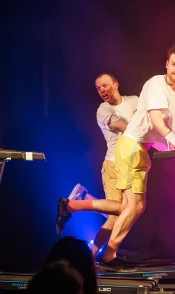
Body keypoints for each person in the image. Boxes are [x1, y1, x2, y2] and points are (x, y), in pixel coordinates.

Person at [56, 44, 175, 271]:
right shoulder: (154, 85)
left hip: (139, 150)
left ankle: (90, 240)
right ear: (166, 63)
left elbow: (171, 126)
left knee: (126, 208)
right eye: (174, 63)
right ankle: (105, 253)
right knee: (132, 207)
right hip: (127, 150)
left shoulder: (172, 93)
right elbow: (155, 123)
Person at [58, 73, 139, 260]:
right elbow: (127, 127)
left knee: (117, 216)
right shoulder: (103, 110)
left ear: (116, 84)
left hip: (132, 164)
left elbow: (148, 120)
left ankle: (92, 257)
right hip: (114, 165)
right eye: (98, 88)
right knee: (126, 210)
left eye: (105, 85)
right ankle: (76, 203)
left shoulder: (134, 101)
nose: (102, 90)